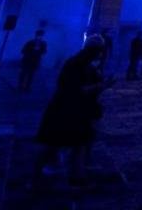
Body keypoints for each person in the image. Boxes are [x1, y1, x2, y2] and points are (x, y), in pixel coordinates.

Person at [32, 35, 114, 188]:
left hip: (78, 110)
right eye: (100, 51)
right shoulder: (76, 64)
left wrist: (101, 85)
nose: (102, 54)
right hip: (68, 109)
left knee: (78, 143)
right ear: (95, 50)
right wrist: (101, 85)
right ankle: (38, 177)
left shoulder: (87, 64)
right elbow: (71, 89)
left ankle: (76, 175)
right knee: (56, 143)